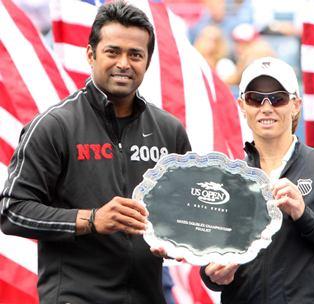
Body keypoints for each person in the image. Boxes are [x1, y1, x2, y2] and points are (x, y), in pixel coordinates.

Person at [0, 2, 191, 304]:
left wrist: (189, 242)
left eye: (135, 54)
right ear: (91, 54)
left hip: (149, 295)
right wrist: (91, 220)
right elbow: (12, 211)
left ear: (148, 61)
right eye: (113, 52)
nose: (124, 63)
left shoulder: (169, 130)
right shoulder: (54, 125)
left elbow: (186, 213)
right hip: (75, 297)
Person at [200, 56, 314, 303]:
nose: (266, 107)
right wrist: (210, 274)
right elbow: (209, 260)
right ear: (242, 105)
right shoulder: (229, 174)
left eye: (277, 98)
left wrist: (304, 215)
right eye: (255, 99)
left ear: (295, 104)